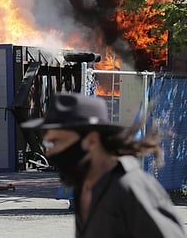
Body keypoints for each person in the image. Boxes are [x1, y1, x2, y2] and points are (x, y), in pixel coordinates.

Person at [22, 93, 186, 238]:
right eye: (47, 143)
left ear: (92, 141)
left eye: (56, 141)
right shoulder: (84, 186)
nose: (49, 152)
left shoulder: (131, 187)